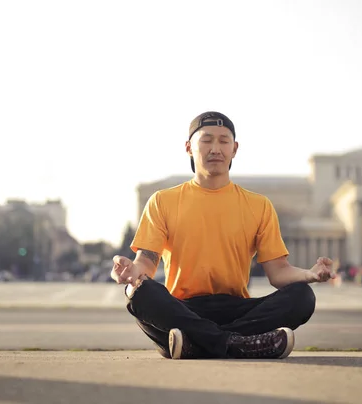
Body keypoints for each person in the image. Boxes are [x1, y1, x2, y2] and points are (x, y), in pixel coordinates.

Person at [111, 111, 335, 360]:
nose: (215, 148)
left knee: (302, 296)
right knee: (139, 292)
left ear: (235, 148)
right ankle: (240, 343)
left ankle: (198, 343)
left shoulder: (258, 205)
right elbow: (146, 263)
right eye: (206, 140)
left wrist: (309, 275)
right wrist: (132, 271)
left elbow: (278, 272)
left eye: (223, 141)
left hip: (236, 309)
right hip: (182, 309)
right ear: (188, 147)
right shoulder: (162, 201)